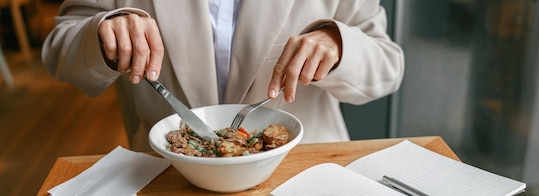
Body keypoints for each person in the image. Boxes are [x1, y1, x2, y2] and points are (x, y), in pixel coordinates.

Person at [42, 1, 404, 151]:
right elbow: (59, 48)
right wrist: (105, 31)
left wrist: (339, 44)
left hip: (305, 169)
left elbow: (389, 66)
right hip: (166, 173)